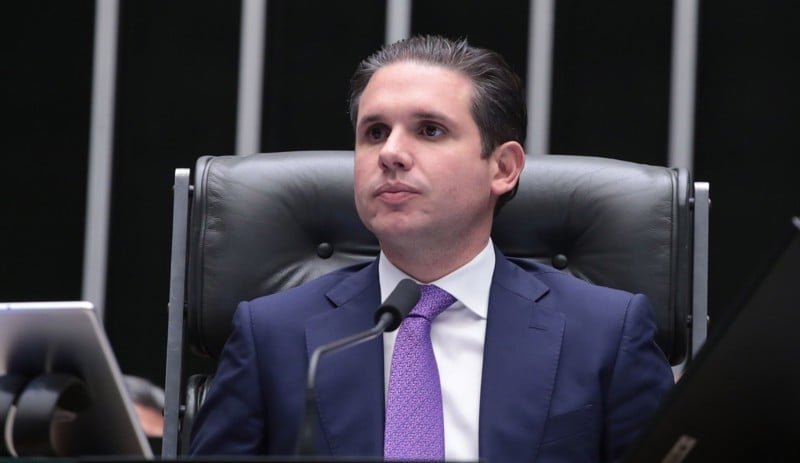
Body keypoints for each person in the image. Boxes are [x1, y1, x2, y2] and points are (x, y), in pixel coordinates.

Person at [189, 35, 673, 462]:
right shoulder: (272, 335)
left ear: (503, 168)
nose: (390, 153)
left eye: (429, 130)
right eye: (375, 132)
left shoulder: (605, 333)